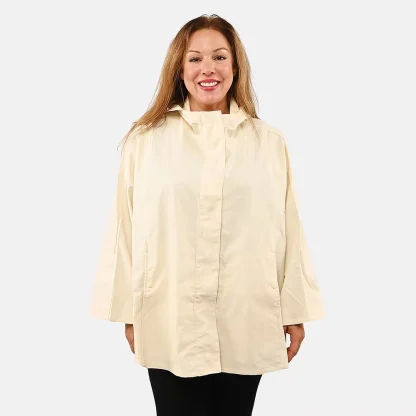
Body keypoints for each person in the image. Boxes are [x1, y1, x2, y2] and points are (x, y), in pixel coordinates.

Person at [89, 14, 326, 416]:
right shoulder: (146, 141)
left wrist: (295, 309)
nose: (208, 69)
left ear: (236, 66)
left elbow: (289, 228)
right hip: (169, 313)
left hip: (246, 313)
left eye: (219, 57)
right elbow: (123, 230)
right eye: (195, 58)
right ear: (179, 69)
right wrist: (128, 311)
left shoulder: (268, 143)